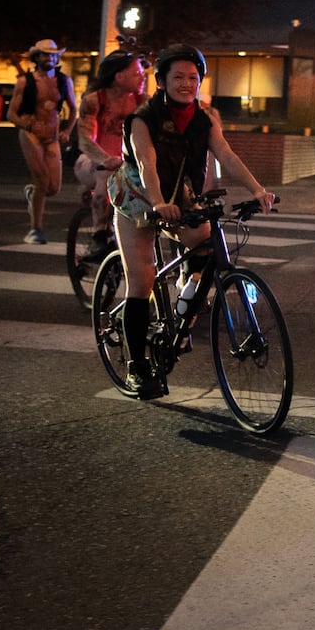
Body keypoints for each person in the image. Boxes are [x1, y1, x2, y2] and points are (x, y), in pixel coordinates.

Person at [109, 44, 274, 400]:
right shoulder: (143, 118)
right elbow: (147, 162)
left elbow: (226, 154)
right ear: (162, 81)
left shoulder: (203, 119)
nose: (186, 84)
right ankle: (137, 366)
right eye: (178, 77)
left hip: (177, 194)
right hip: (137, 196)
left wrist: (258, 190)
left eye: (193, 78)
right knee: (142, 281)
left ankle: (184, 309)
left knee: (208, 244)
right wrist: (158, 203)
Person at [73, 50, 147, 259]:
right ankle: (99, 236)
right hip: (94, 160)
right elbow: (85, 139)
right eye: (137, 73)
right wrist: (106, 159)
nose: (142, 77)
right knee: (106, 177)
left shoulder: (144, 101)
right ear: (119, 76)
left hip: (128, 163)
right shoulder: (95, 100)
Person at [6, 38, 77, 244]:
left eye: (53, 55)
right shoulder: (25, 81)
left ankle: (33, 194)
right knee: (42, 180)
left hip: (52, 136)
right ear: (36, 57)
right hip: (31, 135)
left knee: (53, 188)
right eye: (45, 54)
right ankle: (35, 229)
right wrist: (26, 124)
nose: (50, 58)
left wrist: (67, 131)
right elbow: (11, 114)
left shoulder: (64, 80)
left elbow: (74, 109)